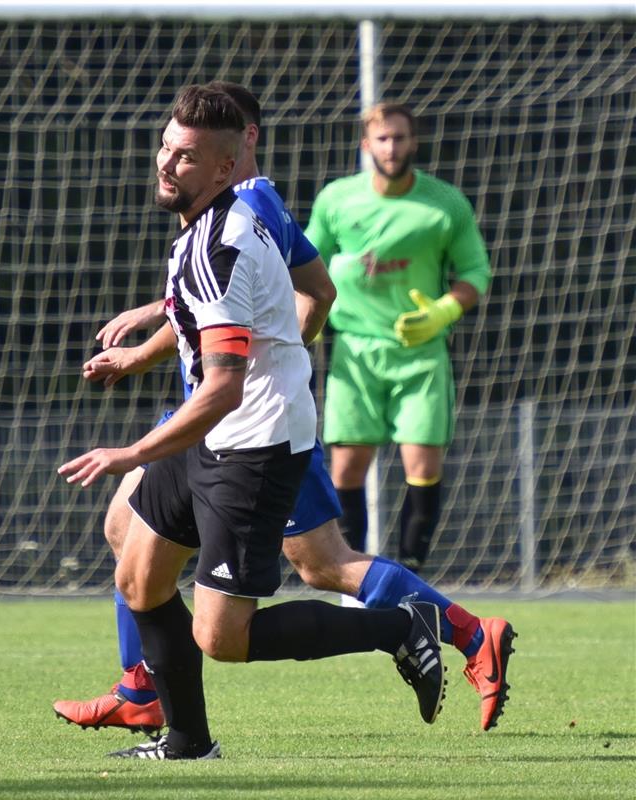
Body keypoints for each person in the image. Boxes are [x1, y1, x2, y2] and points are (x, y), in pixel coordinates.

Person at [54, 84, 515, 737]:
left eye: (195, 148)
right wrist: (164, 327)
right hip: (219, 417)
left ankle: (465, 632)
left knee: (321, 564)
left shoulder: (249, 204)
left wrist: (272, 359)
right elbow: (307, 291)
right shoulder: (243, 207)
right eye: (170, 146)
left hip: (249, 426)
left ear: (244, 142)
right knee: (126, 524)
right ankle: (144, 688)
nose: (172, 160)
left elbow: (248, 301)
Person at [305, 103, 492, 574]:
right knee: (345, 469)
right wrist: (312, 319)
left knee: (423, 465)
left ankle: (413, 575)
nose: (392, 147)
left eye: (400, 138)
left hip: (421, 353)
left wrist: (445, 309)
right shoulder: (336, 200)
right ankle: (354, 577)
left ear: (414, 142)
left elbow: (475, 270)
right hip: (354, 352)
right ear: (367, 145)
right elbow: (306, 264)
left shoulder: (445, 204)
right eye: (382, 139)